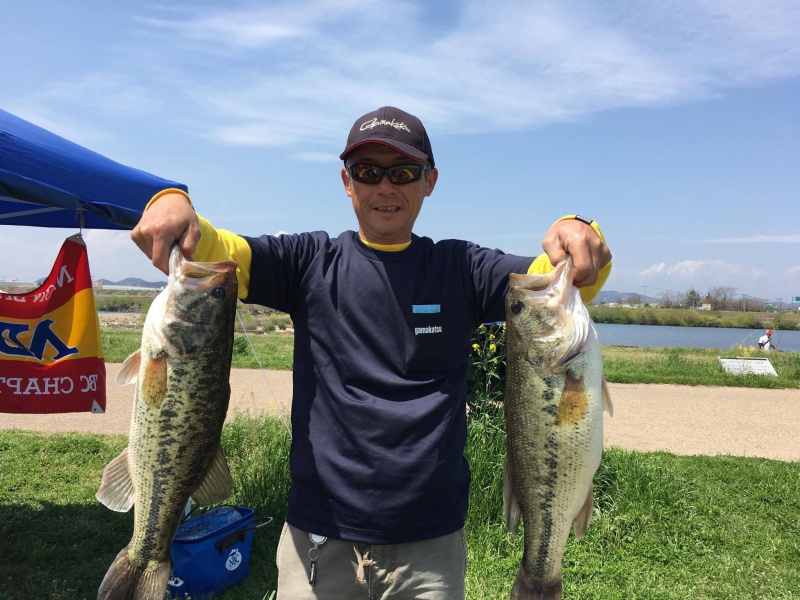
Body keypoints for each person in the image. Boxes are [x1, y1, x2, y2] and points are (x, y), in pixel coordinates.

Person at [132, 106, 612, 599]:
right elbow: (215, 254)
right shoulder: (308, 263)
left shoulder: (460, 269)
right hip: (317, 539)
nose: (385, 187)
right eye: (367, 172)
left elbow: (561, 282)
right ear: (347, 181)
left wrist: (579, 229)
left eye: (403, 172)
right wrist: (172, 199)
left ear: (430, 182)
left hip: (431, 547)